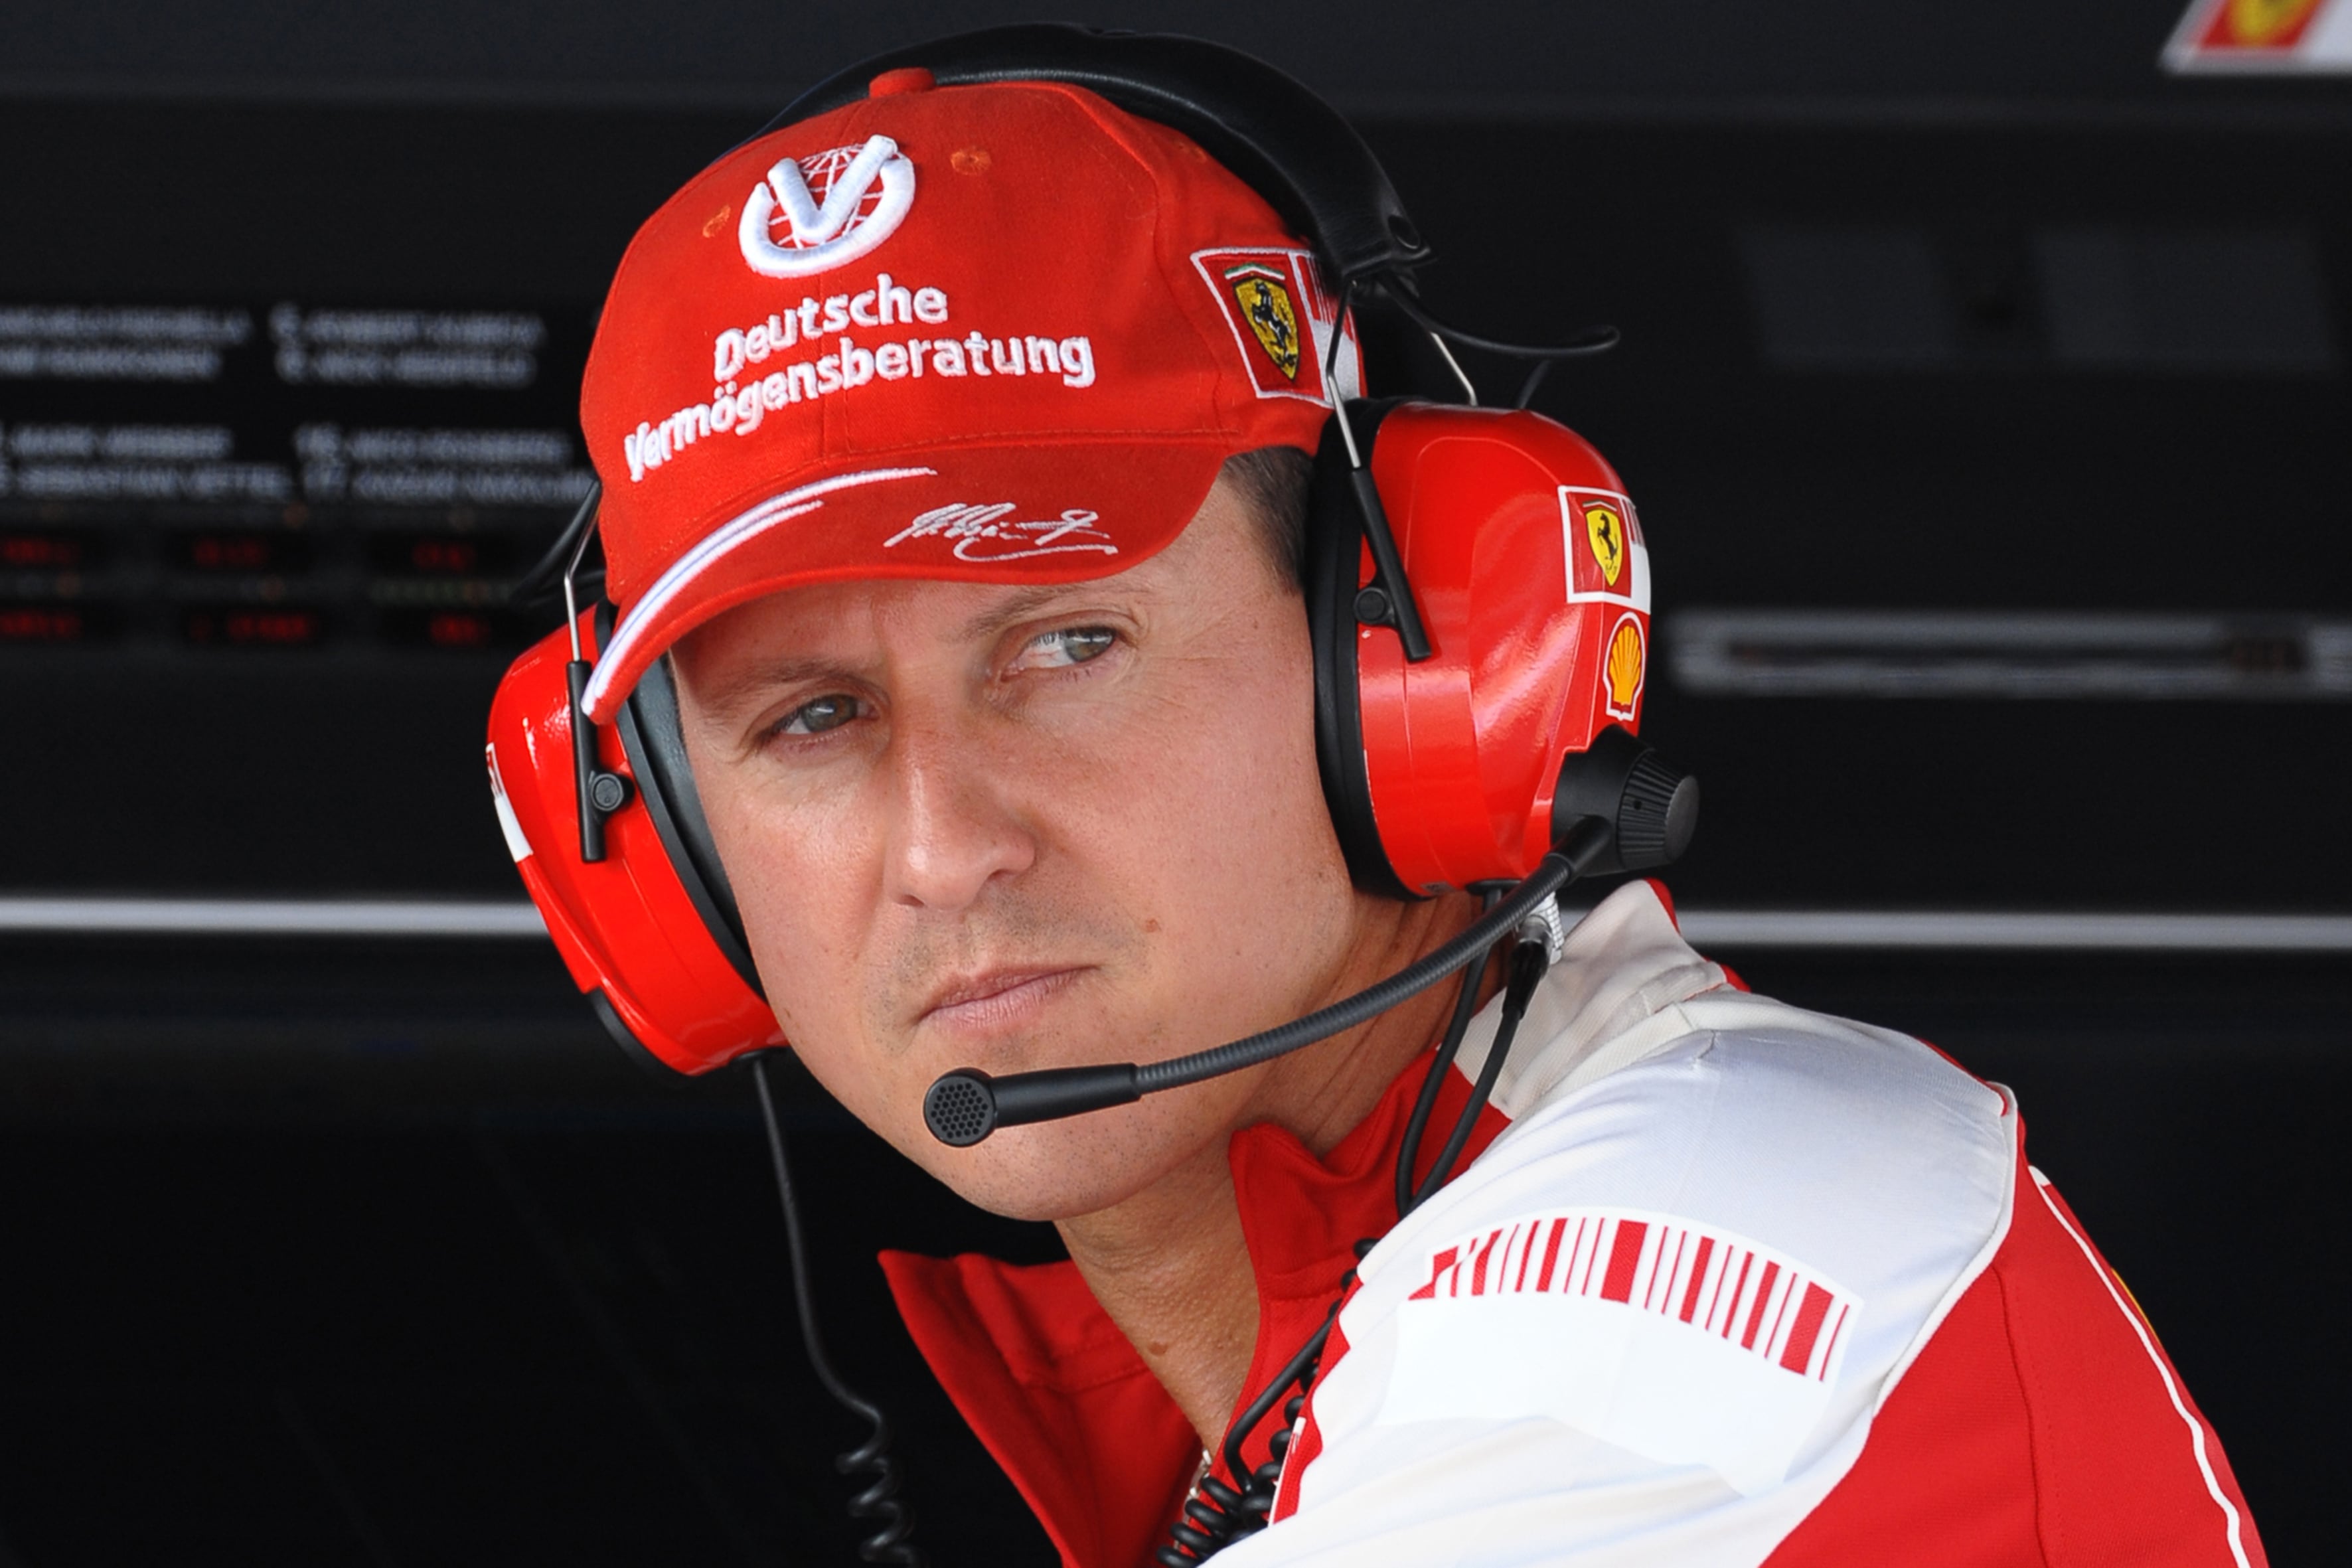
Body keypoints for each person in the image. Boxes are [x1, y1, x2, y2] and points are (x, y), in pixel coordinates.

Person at [524, 37, 2267, 1568]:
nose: (943, 846)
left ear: (1409, 653)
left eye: (1068, 643)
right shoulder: (1332, 1385)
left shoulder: (1722, 1252)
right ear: (667, 855)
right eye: (812, 716)